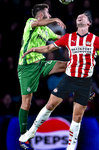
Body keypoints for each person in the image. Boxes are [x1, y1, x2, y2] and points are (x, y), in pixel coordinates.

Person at [19, 13, 99, 150]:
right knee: (50, 105)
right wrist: (34, 49)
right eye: (78, 16)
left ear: (89, 23)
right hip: (69, 78)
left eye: (83, 16)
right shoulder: (69, 37)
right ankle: (31, 131)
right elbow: (49, 48)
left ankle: (70, 148)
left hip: (84, 82)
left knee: (77, 117)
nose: (80, 17)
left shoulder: (96, 40)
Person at [17, 3, 68, 149]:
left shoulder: (46, 30)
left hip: (41, 64)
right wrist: (55, 19)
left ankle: (82, 89)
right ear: (41, 15)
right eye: (48, 13)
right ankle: (23, 137)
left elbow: (60, 38)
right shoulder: (30, 23)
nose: (50, 15)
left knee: (66, 65)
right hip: (26, 67)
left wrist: (77, 39)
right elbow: (38, 23)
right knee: (26, 103)